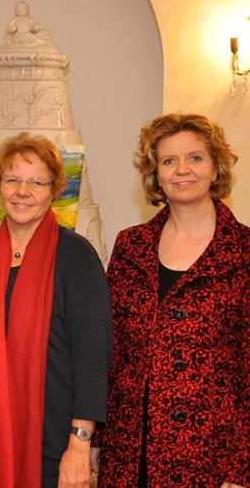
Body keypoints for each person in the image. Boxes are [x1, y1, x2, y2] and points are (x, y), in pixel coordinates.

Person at [99, 114, 249, 488]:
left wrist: (241, 470)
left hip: (210, 458)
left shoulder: (244, 251)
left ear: (216, 169)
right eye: (168, 161)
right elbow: (109, 353)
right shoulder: (130, 245)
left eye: (195, 158)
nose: (182, 169)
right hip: (127, 453)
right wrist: (93, 440)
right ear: (156, 175)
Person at [0, 132, 112, 488]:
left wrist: (79, 447)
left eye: (36, 182)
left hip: (52, 448)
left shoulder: (76, 257)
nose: (23, 191)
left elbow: (93, 359)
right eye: (12, 179)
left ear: (54, 190)